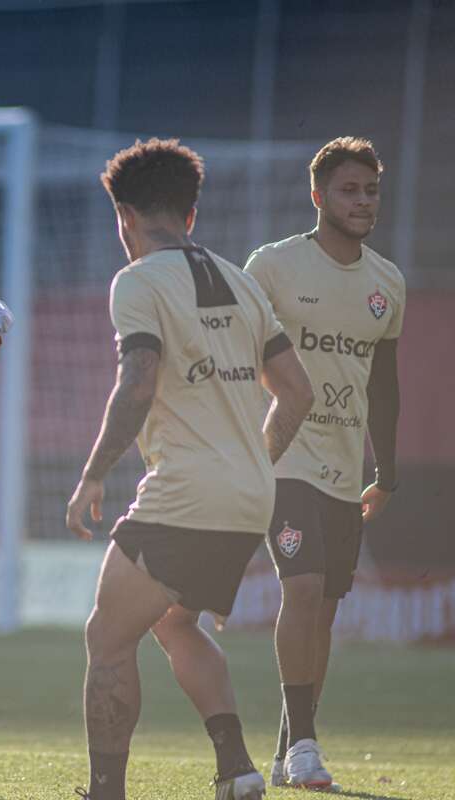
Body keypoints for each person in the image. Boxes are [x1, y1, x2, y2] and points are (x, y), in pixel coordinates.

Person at [66, 138, 314, 800]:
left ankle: (104, 791)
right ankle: (236, 768)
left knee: (107, 636)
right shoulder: (241, 281)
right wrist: (252, 470)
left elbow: (138, 383)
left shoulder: (139, 280)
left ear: (125, 217)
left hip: (186, 495)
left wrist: (94, 472)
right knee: (174, 623)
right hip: (249, 496)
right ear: (191, 215)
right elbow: (298, 392)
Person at [244, 137, 404, 791]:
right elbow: (237, 349)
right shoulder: (274, 266)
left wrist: (386, 471)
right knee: (302, 589)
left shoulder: (386, 282)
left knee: (327, 608)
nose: (362, 201)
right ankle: (307, 744)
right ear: (317, 197)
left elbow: (384, 384)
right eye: (348, 189)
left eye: (370, 190)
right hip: (284, 458)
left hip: (344, 467)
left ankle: (288, 750)